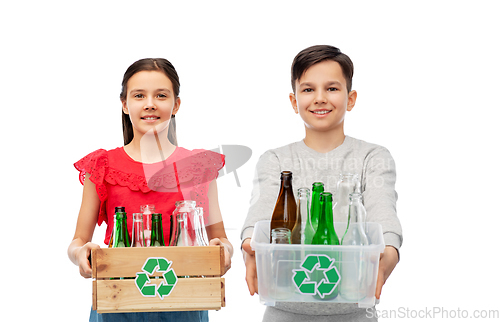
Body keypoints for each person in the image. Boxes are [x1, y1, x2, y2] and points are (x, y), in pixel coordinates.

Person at [241, 45, 402, 322]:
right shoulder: (276, 160)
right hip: (284, 311)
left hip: (355, 312)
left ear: (351, 99)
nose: (319, 98)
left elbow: (382, 209)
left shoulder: (372, 157)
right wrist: (249, 243)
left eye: (332, 88)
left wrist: (389, 250)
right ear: (293, 101)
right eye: (307, 90)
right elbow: (260, 215)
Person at [68, 58, 233, 322]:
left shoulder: (200, 167)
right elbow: (77, 241)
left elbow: (220, 239)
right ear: (124, 104)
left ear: (176, 105)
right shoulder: (102, 166)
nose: (150, 104)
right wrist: (80, 254)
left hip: (184, 302)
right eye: (139, 95)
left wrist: (224, 251)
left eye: (161, 95)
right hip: (118, 300)